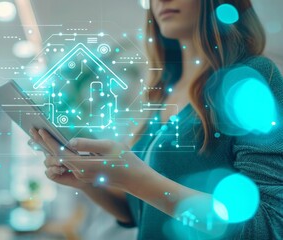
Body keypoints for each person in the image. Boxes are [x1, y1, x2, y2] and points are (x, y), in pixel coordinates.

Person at [30, 0, 283, 239]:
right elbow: (143, 211)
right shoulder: (164, 95)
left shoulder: (251, 77)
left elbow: (270, 223)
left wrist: (135, 178)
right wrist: (88, 181)